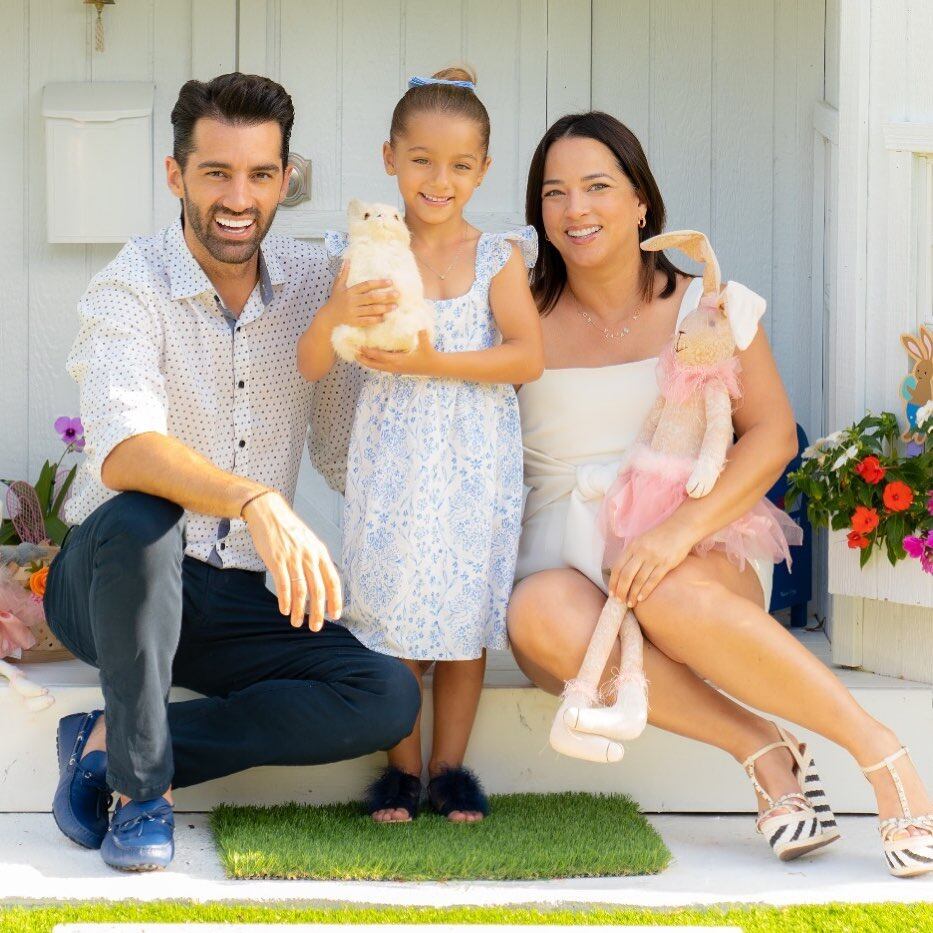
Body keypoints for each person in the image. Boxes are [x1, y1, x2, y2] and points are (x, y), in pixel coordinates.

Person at [507, 111, 933, 877]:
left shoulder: (706, 302)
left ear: (641, 200)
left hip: (696, 541)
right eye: (554, 192)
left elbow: (769, 433)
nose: (576, 209)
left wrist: (677, 531)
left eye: (597, 186)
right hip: (566, 559)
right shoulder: (517, 313)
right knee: (532, 614)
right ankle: (762, 748)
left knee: (663, 587)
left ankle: (881, 752)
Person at [45, 72, 420, 873]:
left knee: (384, 696)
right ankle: (141, 794)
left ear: (286, 178)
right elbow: (123, 447)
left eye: (259, 174)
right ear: (176, 174)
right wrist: (254, 499)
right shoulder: (131, 281)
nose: (237, 197)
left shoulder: (316, 282)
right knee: (147, 513)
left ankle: (111, 745)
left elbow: (342, 447)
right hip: (114, 579)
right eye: (215, 172)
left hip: (235, 592)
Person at [299, 66, 543, 824]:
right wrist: (339, 307)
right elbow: (312, 361)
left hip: (473, 460)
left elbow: (527, 356)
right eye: (422, 160)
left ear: (483, 171)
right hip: (395, 461)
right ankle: (400, 772)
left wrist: (437, 361)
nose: (440, 180)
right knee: (392, 609)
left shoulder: (497, 254)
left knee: (463, 618)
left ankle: (449, 771)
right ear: (389, 158)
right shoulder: (368, 252)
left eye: (460, 165)